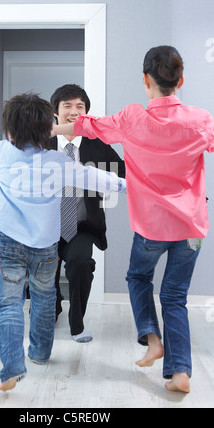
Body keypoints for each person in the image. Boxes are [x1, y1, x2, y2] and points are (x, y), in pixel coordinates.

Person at [52, 46, 214, 393]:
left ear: (146, 80)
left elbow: (87, 125)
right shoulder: (201, 120)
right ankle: (180, 372)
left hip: (153, 227)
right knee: (175, 296)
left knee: (138, 278)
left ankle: (152, 338)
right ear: (180, 80)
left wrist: (48, 131)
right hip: (192, 229)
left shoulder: (131, 118)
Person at [0, 92, 126, 392]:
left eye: (79, 106)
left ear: (10, 132)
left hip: (12, 244)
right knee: (44, 300)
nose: (73, 111)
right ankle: (40, 353)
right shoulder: (58, 160)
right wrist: (129, 186)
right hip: (45, 245)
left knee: (9, 305)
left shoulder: (2, 153)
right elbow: (99, 179)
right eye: (67, 106)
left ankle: (11, 367)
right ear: (50, 127)